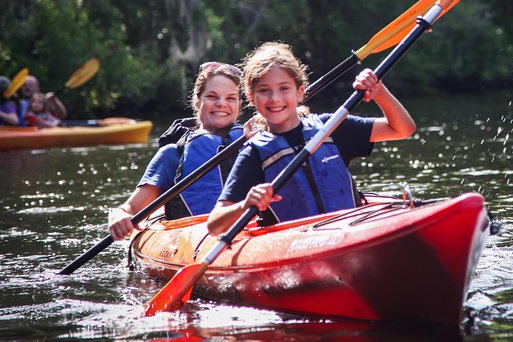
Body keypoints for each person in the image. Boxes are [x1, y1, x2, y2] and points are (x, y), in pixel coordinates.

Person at [206, 42, 415, 235]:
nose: (275, 98)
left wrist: (379, 92)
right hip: (297, 246)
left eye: (284, 88)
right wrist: (245, 204)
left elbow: (403, 129)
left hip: (350, 231)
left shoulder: (331, 127)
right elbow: (215, 225)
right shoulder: (254, 154)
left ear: (300, 92)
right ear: (252, 98)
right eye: (264, 91)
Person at [108, 62, 246, 241]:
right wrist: (117, 216)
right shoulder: (173, 155)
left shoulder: (254, 146)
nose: (221, 104)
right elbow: (129, 209)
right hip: (192, 241)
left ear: (240, 104)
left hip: (248, 237)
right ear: (197, 101)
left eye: (230, 98)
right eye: (212, 96)